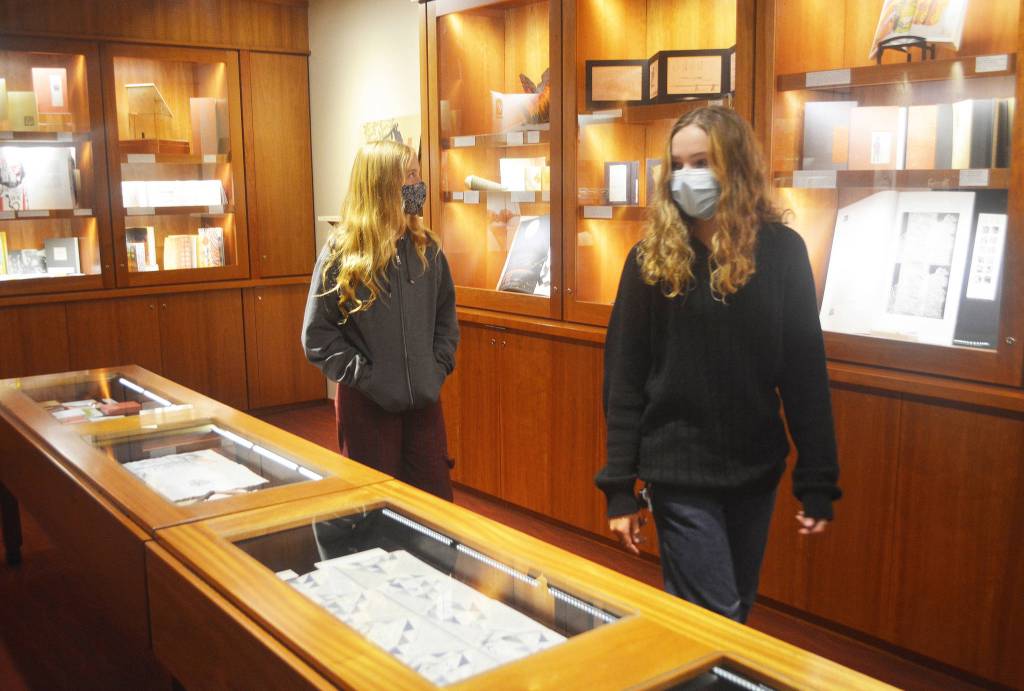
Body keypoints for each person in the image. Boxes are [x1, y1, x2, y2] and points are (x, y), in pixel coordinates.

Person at [596, 106, 841, 623]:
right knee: (716, 616)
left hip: (756, 470)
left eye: (702, 162)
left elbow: (804, 373)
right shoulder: (649, 260)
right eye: (678, 165)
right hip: (678, 470)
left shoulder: (783, 252)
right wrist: (619, 488)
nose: (688, 177)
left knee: (734, 610)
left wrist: (817, 479)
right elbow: (624, 381)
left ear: (736, 166)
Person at [302, 140, 459, 500]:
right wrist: (367, 377)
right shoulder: (342, 254)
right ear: (384, 185)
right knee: (375, 509)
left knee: (435, 506)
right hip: (367, 408)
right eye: (411, 175)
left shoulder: (429, 249)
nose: (419, 185)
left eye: (417, 174)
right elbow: (317, 336)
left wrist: (434, 371)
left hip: (424, 406)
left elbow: (446, 321)